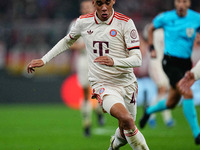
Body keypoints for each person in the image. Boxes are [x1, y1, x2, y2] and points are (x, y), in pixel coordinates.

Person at [27, 0, 149, 149]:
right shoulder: (83, 22)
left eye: (107, 3)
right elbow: (67, 41)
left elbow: (138, 59)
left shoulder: (125, 23)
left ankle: (113, 145)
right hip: (103, 84)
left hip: (127, 83)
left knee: (126, 129)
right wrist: (44, 60)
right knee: (127, 120)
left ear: (113, 1)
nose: (104, 7)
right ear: (94, 3)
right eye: (99, 3)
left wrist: (114, 61)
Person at [139, 0, 200, 145]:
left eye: (184, 1)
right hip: (169, 62)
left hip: (185, 63)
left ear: (188, 3)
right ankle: (197, 133)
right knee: (188, 92)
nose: (180, 4)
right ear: (175, 3)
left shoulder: (196, 18)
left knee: (171, 102)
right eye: (178, 1)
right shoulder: (165, 17)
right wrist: (152, 47)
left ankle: (149, 110)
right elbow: (151, 28)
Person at [67, 0, 104, 137]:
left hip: (98, 61)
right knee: (85, 93)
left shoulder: (100, 22)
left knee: (99, 91)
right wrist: (81, 46)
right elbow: (69, 44)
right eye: (83, 7)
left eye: (88, 7)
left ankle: (99, 110)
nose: (85, 9)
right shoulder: (75, 24)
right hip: (83, 60)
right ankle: (87, 123)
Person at [143, 25, 174, 128]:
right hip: (155, 63)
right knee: (163, 89)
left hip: (162, 64)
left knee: (163, 91)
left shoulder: (165, 31)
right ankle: (165, 118)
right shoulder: (155, 30)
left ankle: (151, 115)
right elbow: (146, 36)